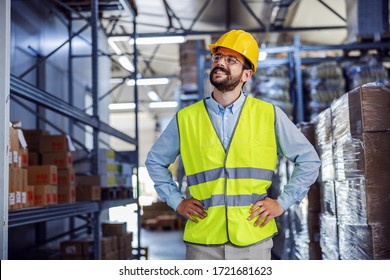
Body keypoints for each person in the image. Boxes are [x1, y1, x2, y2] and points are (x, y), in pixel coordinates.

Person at [145, 29, 321, 260]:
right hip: (203, 240)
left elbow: (308, 160)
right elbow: (155, 161)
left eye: (231, 60)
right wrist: (177, 201)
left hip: (252, 239)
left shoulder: (269, 115)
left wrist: (282, 203)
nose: (220, 63)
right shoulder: (185, 118)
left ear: (247, 74)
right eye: (217, 58)